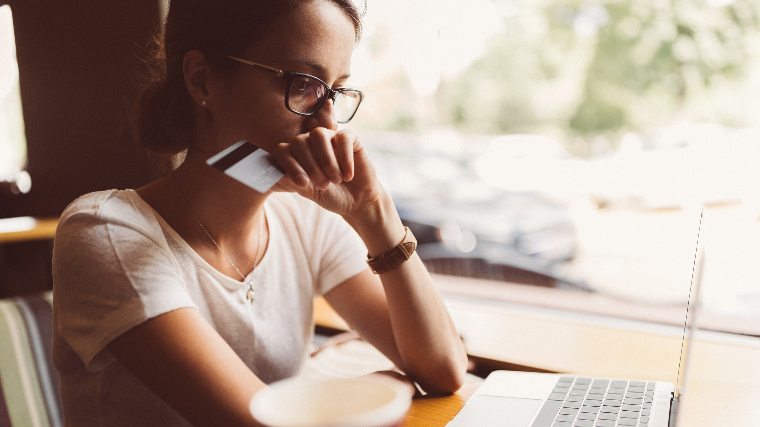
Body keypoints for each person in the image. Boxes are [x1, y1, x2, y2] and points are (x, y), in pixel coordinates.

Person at [51, 0, 468, 426]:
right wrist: (389, 385)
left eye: (335, 92)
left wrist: (373, 212)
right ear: (202, 80)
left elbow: (443, 370)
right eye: (303, 85)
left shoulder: (304, 219)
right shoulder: (107, 233)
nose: (327, 126)